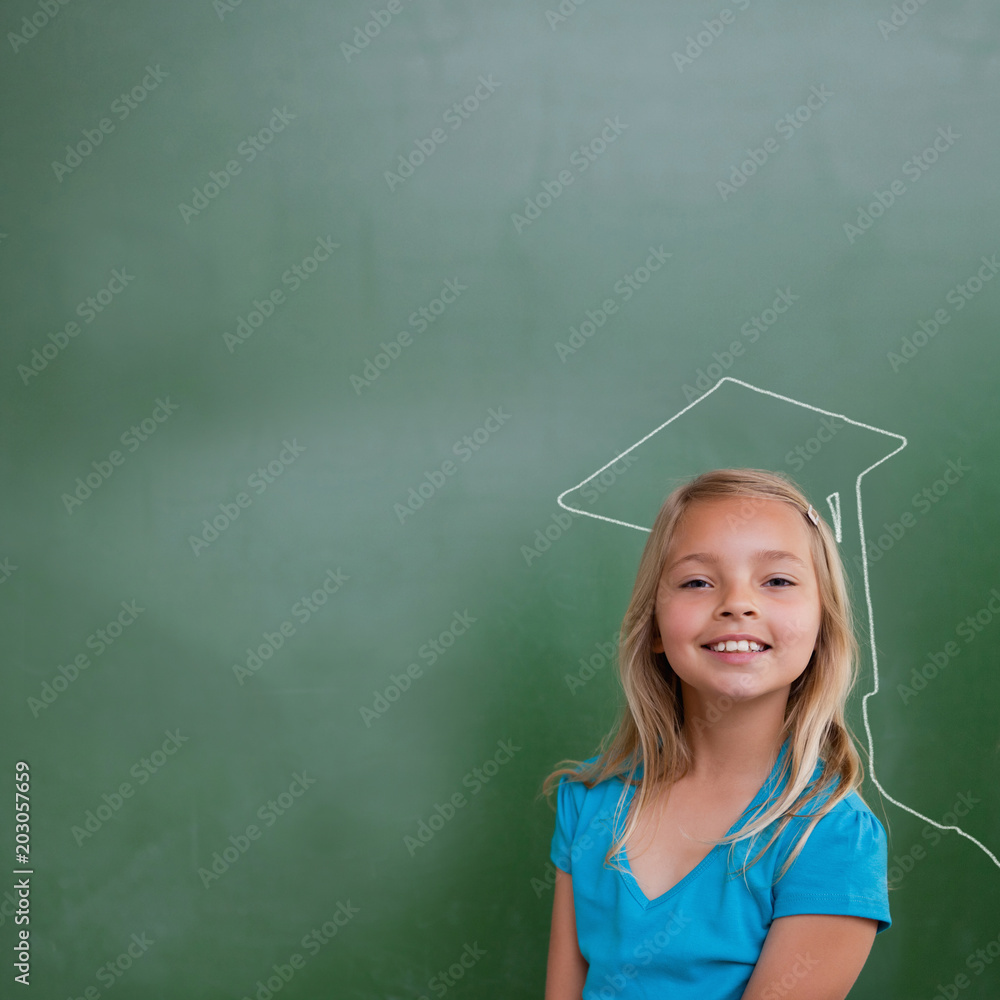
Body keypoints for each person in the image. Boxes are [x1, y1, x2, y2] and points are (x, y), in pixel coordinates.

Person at [540, 468, 892, 1000]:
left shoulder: (830, 836)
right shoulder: (588, 804)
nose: (737, 603)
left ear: (822, 626)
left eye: (777, 581)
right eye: (697, 582)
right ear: (654, 626)